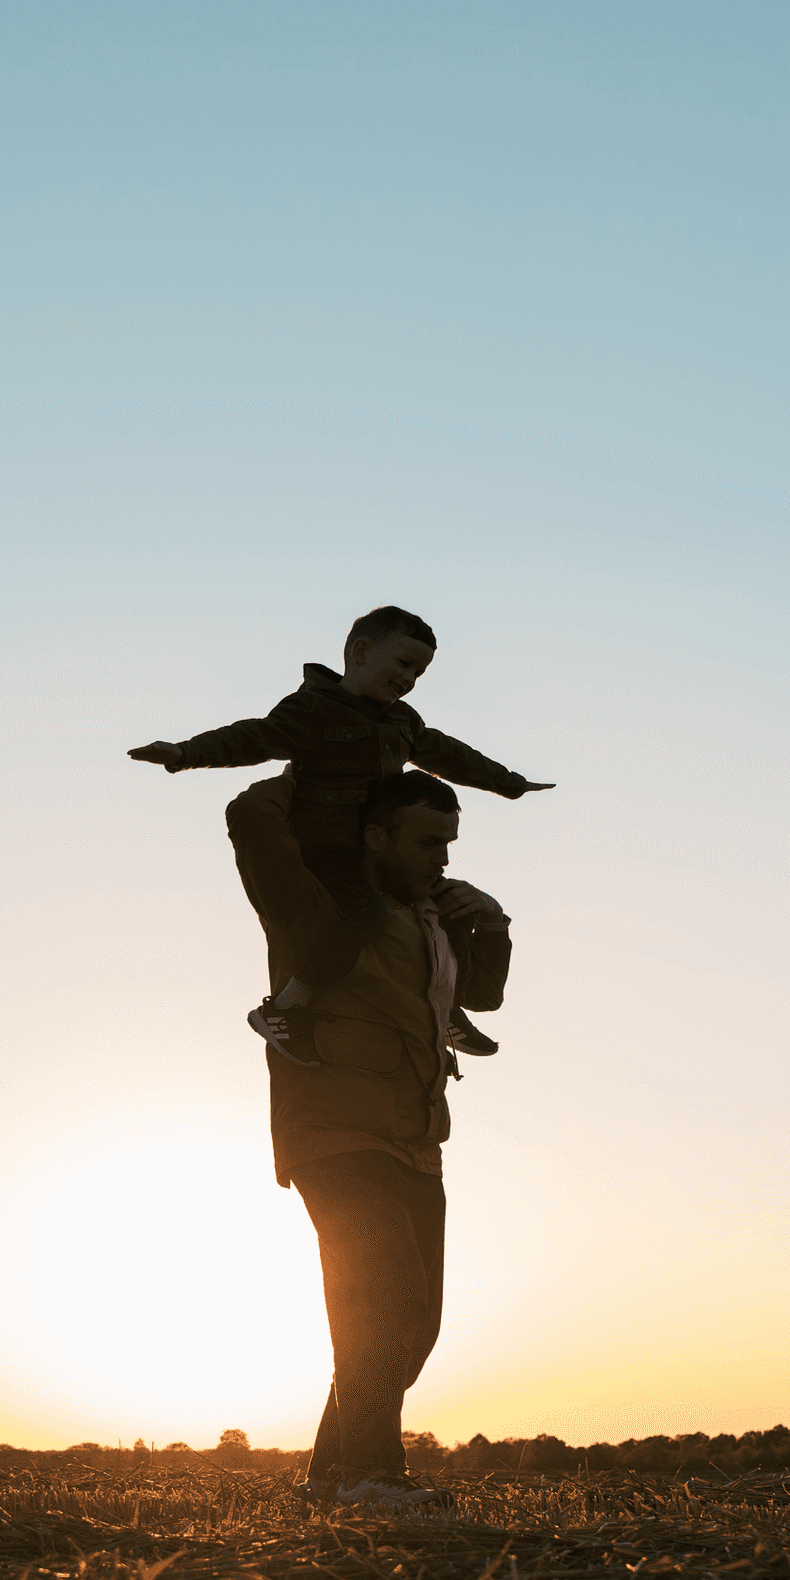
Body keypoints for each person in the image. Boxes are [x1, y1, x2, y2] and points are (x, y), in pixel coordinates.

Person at [223, 768, 513, 1505]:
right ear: (376, 835)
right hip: (335, 1130)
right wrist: (329, 759)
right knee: (380, 1302)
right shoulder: (318, 907)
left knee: (413, 1326)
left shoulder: (435, 915)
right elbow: (250, 813)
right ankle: (374, 1476)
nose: (441, 859)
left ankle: (330, 1478)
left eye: (449, 845)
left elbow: (480, 997)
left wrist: (491, 922)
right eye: (426, 842)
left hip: (417, 1137)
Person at [126, 606, 547, 1063]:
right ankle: (287, 1007)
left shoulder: (403, 723)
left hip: (378, 848)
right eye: (404, 664)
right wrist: (186, 753)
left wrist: (509, 782)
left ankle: (444, 1008)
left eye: (420, 673)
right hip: (325, 850)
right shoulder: (313, 710)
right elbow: (254, 737)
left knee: (439, 904)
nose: (410, 679)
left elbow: (451, 756)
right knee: (364, 914)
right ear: (361, 652)